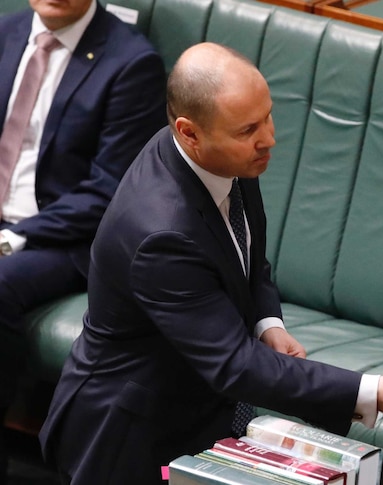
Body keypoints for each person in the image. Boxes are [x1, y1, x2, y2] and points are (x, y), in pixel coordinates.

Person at [38, 41, 383, 485]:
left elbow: (245, 258)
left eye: (268, 115)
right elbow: (233, 364)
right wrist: (373, 392)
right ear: (189, 132)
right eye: (249, 128)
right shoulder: (161, 233)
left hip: (202, 411)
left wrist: (267, 323)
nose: (269, 137)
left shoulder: (220, 160)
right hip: (130, 434)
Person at [0, 0, 165, 481]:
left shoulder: (130, 62)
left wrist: (13, 237)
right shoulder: (6, 33)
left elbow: (110, 189)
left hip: (63, 238)